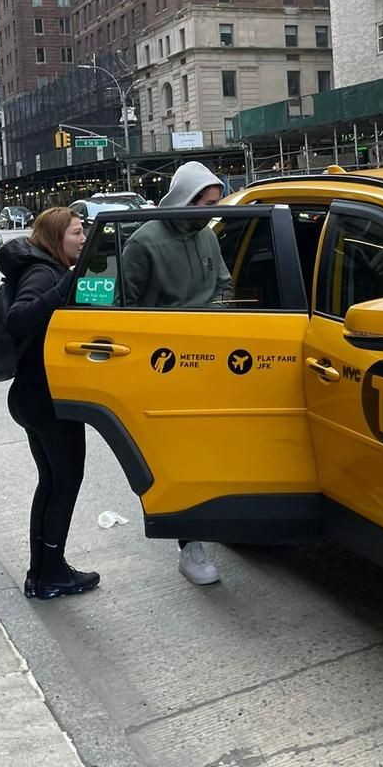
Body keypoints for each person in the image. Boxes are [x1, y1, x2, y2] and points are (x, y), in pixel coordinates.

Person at [121, 161, 231, 586]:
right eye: (206, 203)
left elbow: (223, 281)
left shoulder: (207, 235)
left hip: (214, 357)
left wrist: (218, 313)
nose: (211, 211)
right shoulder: (144, 242)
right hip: (167, 364)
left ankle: (216, 522)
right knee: (180, 456)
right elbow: (128, 308)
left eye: (216, 204)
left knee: (213, 448)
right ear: (186, 198)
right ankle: (190, 545)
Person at [0, 207, 100, 601]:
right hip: (47, 398)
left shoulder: (50, 269)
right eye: (77, 232)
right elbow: (19, 319)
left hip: (37, 395)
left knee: (53, 482)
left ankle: (43, 571)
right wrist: (65, 286)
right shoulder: (43, 273)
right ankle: (49, 572)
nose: (83, 237)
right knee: (64, 482)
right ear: (58, 236)